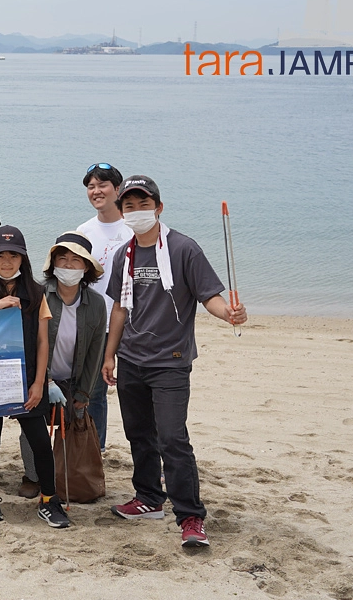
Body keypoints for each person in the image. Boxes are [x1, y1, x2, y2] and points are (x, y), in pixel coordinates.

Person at [102, 175, 247, 549]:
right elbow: (119, 307)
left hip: (171, 361)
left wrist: (228, 314)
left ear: (159, 207)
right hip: (131, 358)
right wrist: (109, 354)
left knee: (172, 438)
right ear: (121, 212)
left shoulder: (184, 249)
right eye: (129, 206)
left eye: (143, 204)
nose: (137, 212)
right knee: (139, 435)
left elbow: (209, 295)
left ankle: (191, 516)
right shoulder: (124, 255)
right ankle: (149, 498)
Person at [0, 225, 71, 528]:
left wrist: (39, 382)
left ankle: (49, 499)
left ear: (23, 258)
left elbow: (42, 341)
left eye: (13, 255)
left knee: (39, 439)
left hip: (25, 378)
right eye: (0, 255)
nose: (6, 261)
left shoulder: (36, 292)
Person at [17, 231, 107, 499]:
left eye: (75, 260)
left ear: (86, 267)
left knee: (73, 427)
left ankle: (64, 474)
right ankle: (33, 476)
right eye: (62, 259)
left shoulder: (96, 304)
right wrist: (45, 381)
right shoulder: (38, 295)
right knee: (32, 428)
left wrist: (84, 393)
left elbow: (94, 352)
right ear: (52, 263)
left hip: (73, 378)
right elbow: (31, 344)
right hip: (38, 376)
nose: (67, 266)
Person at [76, 163, 132, 452]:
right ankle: (93, 453)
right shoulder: (84, 231)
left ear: (118, 189)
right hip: (97, 323)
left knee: (137, 392)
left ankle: (153, 457)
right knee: (94, 392)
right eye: (91, 186)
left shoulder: (134, 228)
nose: (96, 191)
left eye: (102, 185)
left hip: (134, 322)